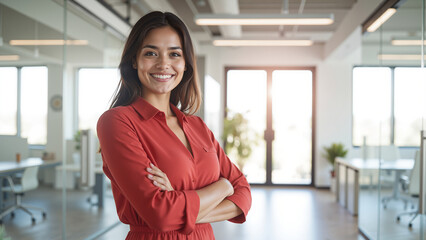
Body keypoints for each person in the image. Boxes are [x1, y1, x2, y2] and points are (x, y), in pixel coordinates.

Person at [97, 11, 252, 240]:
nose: (163, 64)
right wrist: (223, 188)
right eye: (151, 53)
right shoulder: (117, 122)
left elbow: (244, 194)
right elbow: (160, 215)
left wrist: (182, 207)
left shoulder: (197, 126)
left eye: (174, 54)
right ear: (134, 60)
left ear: (185, 63)